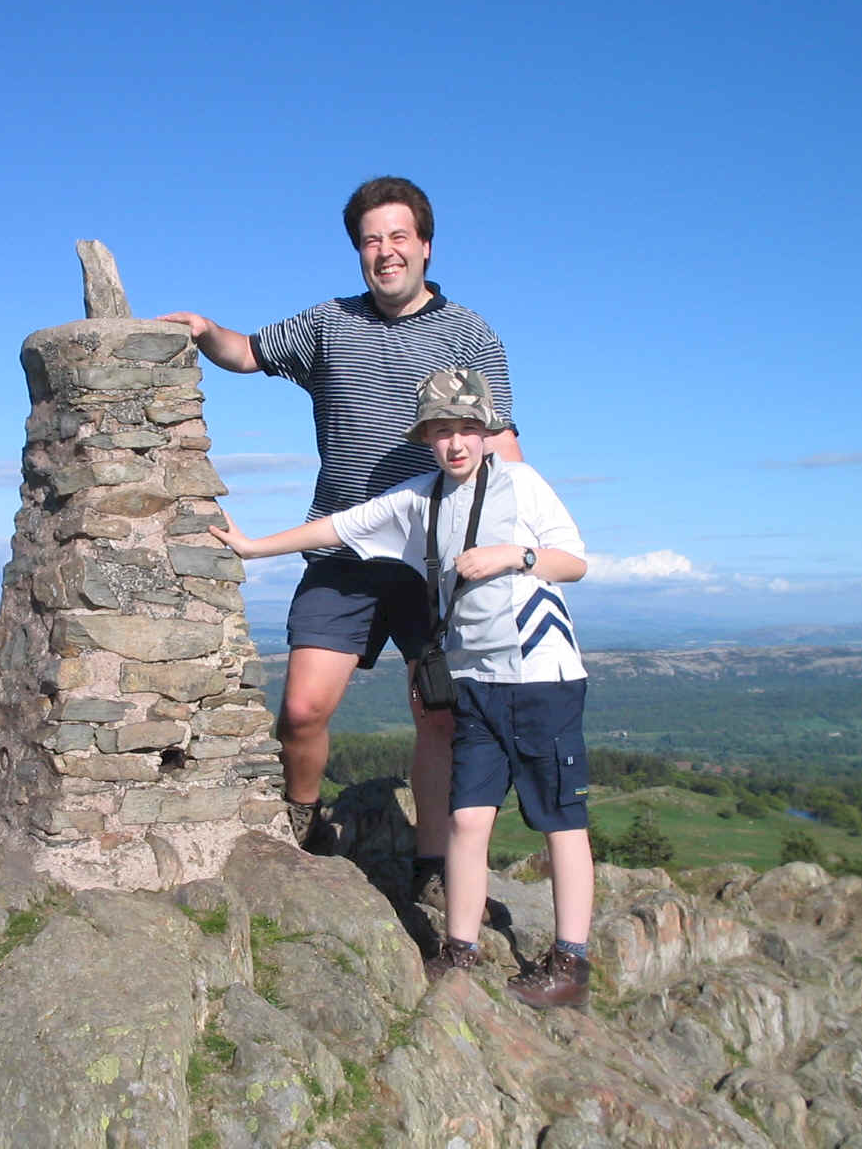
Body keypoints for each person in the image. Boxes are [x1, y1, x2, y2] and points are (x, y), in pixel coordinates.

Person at [159, 177, 521, 905]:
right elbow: (248, 354)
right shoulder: (329, 324)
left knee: (439, 715)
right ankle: (304, 821)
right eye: (370, 240)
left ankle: (429, 863)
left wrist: (518, 542)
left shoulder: (469, 333)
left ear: (425, 245)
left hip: (438, 562)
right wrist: (203, 328)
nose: (384, 252)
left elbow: (500, 442)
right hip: (341, 551)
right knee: (301, 711)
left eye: (397, 237)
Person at [210, 368, 595, 1008]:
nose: (457, 444)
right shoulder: (422, 499)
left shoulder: (522, 485)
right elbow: (340, 527)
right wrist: (253, 549)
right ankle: (459, 952)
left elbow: (573, 561)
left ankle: (570, 964)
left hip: (540, 676)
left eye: (468, 429)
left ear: (488, 431)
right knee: (468, 818)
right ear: (427, 439)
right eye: (443, 431)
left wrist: (513, 556)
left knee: (560, 818)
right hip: (475, 679)